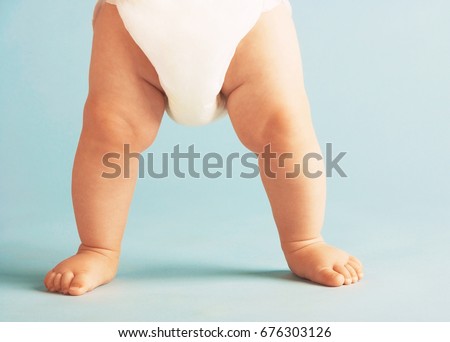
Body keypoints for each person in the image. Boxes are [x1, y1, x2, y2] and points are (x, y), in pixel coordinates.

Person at [44, 0, 363, 296]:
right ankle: (98, 247)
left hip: (247, 19)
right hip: (133, 20)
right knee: (110, 130)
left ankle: (304, 240)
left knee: (283, 127)